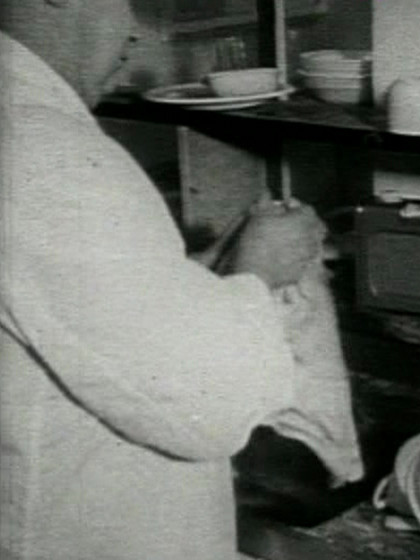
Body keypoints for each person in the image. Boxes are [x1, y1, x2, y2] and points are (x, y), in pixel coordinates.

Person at [0, 1, 362, 558]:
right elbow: (207, 408)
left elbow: (76, 317)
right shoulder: (44, 149)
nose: (133, 33)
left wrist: (212, 268)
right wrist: (258, 274)